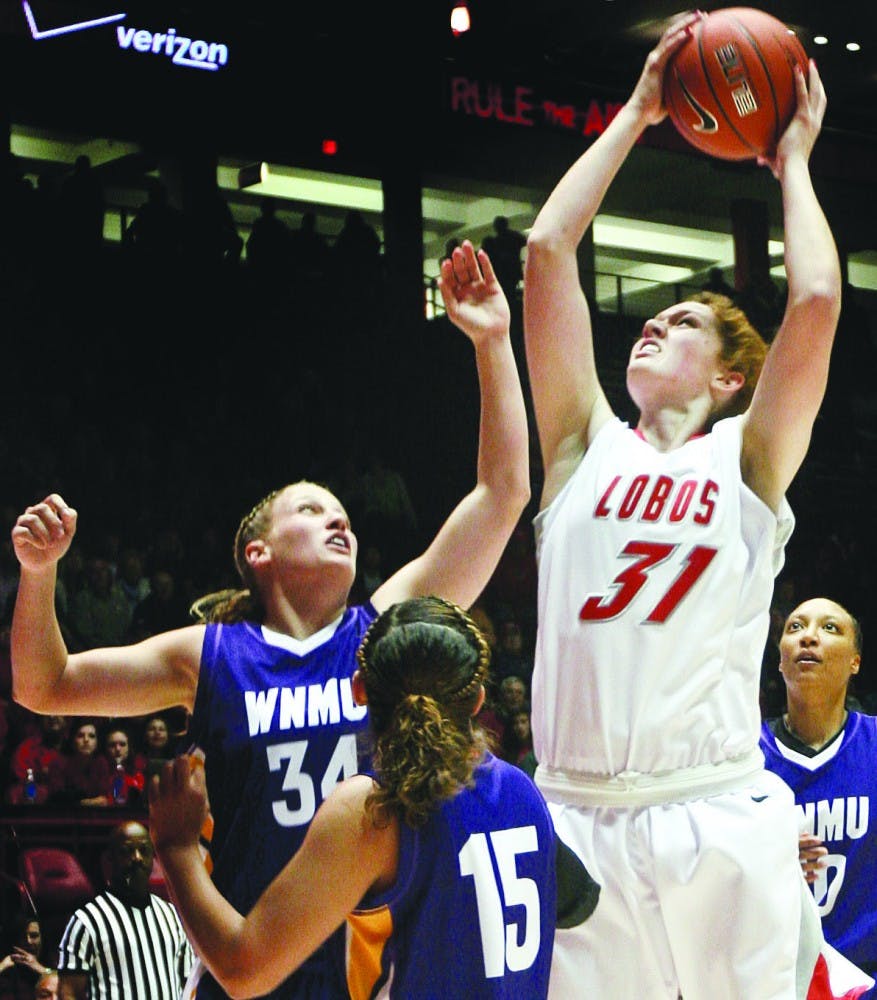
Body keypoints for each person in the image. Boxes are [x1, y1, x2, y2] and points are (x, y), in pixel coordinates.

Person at [10, 239, 529, 999]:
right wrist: (38, 575)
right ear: (256, 550)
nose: (338, 520)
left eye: (344, 513)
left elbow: (502, 494)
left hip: (365, 965)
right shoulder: (210, 653)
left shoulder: (380, 633)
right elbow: (43, 686)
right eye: (312, 509)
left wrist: (490, 341)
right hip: (243, 954)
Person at [523, 11, 851, 998]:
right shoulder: (579, 446)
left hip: (712, 809)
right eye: (655, 314)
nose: (656, 321)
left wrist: (793, 160)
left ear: (726, 380)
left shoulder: (746, 463)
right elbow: (546, 249)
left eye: (688, 322)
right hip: (573, 816)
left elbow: (817, 301)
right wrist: (635, 112)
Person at [149, 596, 556, 998]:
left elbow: (243, 971)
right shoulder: (525, 791)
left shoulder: (375, 808)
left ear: (358, 690)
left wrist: (177, 847)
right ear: (478, 700)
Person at [761, 597, 877, 989]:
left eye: (830, 628)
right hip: (769, 979)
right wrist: (762, 856)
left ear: (855, 662)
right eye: (795, 627)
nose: (809, 637)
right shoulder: (740, 758)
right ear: (780, 661)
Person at [55, 819, 193, 999]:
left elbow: (188, 984)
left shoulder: (172, 916)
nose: (137, 858)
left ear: (153, 857)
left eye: (144, 850)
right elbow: (69, 993)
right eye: (127, 851)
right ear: (109, 860)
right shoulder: (87, 921)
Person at [0, 914, 50, 1000]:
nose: (29, 941)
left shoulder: (53, 961)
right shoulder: (9, 970)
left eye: (34, 936)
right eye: (23, 937)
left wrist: (41, 969)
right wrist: (2, 966)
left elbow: (68, 986)